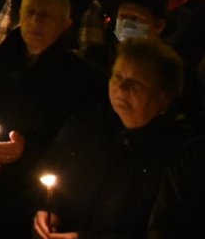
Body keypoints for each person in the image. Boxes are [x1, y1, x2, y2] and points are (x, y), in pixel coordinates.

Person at [0, 0, 103, 238]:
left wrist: (28, 148)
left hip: (33, 201)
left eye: (46, 15)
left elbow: (81, 146)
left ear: (66, 25)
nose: (35, 21)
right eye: (30, 12)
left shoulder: (82, 79)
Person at [33, 38, 196, 238]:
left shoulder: (180, 154)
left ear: (164, 95)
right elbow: (52, 168)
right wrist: (49, 210)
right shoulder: (88, 123)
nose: (121, 88)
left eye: (135, 83)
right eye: (117, 76)